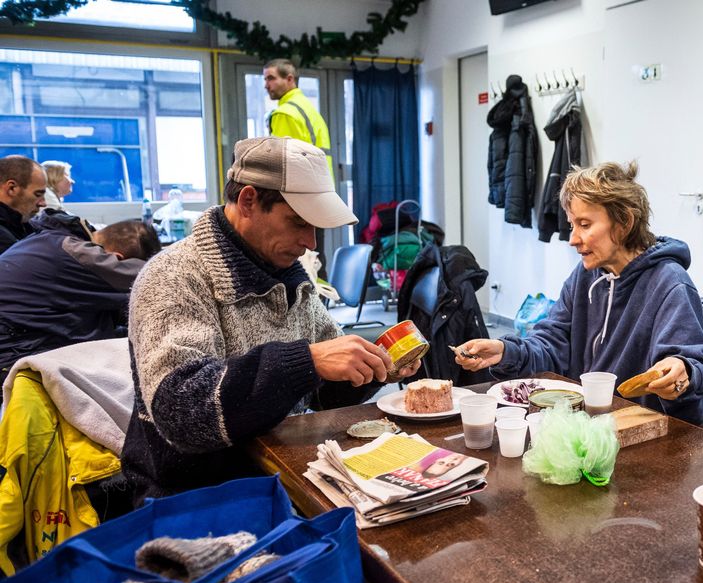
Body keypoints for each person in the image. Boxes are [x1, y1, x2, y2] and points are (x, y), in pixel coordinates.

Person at [120, 136, 421, 504]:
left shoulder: (290, 278)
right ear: (248, 201)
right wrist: (305, 361)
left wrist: (372, 366)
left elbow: (324, 393)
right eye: (297, 222)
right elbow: (181, 413)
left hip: (280, 475)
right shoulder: (173, 277)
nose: (311, 242)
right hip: (195, 497)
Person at [455, 161, 703, 427]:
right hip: (582, 431)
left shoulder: (670, 284)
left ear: (624, 222)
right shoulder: (585, 276)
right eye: (572, 225)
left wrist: (683, 374)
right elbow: (551, 344)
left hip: (636, 438)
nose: (573, 239)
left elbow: (700, 386)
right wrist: (506, 351)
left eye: (584, 224)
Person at [0, 216, 158, 392]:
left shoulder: (49, 241)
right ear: (115, 258)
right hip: (15, 358)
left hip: (17, 342)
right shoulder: (82, 256)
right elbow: (155, 277)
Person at [262, 58, 334, 181]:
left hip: (301, 189)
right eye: (265, 79)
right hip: (321, 185)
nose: (266, 85)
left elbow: (283, 163)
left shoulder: (284, 113)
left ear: (290, 79)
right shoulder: (307, 107)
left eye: (271, 78)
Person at [0, 155, 46, 255]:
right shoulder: (6, 242)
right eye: (38, 194)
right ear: (12, 188)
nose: (43, 203)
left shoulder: (22, 225)